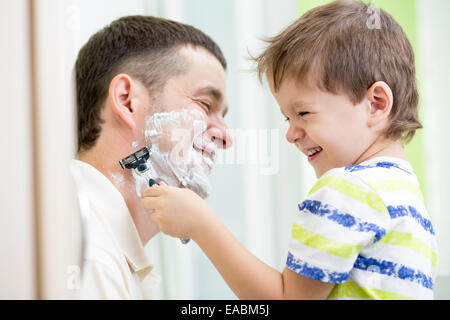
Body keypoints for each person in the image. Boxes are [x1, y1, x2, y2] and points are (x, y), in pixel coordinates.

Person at [141, 0, 438, 300]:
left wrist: (200, 223)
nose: (291, 134)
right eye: (287, 117)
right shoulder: (405, 196)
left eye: (304, 113)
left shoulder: (347, 189)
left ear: (376, 104)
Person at [71, 15, 232, 299]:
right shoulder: (85, 251)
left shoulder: (113, 251)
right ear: (127, 101)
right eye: (206, 104)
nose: (226, 136)